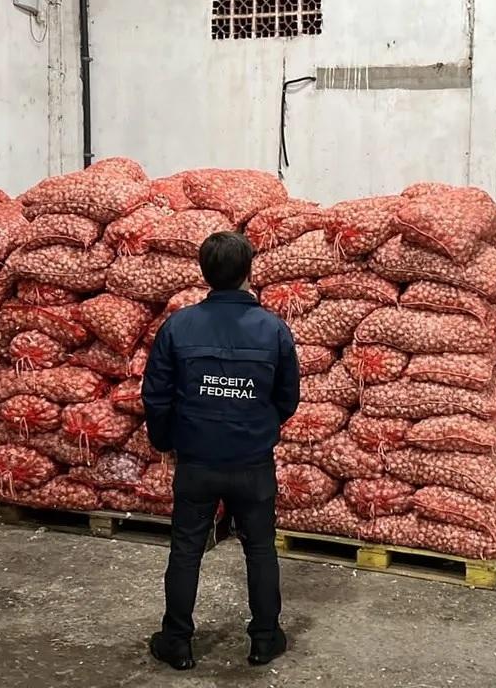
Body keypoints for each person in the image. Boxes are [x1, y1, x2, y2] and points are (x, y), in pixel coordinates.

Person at [142, 231, 300, 671]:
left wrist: (165, 441)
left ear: (204, 272)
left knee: (186, 548)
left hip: (196, 460)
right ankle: (265, 639)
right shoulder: (273, 329)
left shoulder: (178, 326)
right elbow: (288, 397)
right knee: (260, 548)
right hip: (252, 461)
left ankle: (176, 640)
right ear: (250, 271)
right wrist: (258, 424)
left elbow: (156, 396)